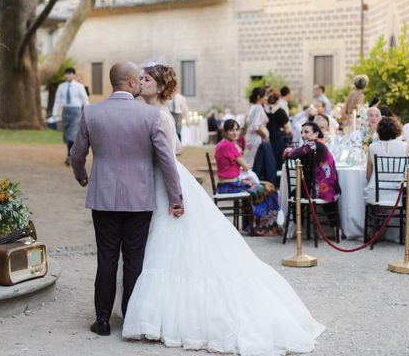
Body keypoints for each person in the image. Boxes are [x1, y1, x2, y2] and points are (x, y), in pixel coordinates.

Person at [123, 64, 324, 354]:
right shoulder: (148, 111)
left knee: (168, 240)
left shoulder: (159, 114)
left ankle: (159, 317)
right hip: (153, 179)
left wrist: (172, 192)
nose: (141, 82)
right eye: (140, 78)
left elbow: (171, 152)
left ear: (160, 86)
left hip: (165, 181)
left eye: (147, 79)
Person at [70, 62, 183, 336]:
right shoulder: (149, 116)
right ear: (132, 83)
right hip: (139, 197)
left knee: (106, 258)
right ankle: (131, 318)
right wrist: (175, 195)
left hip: (103, 197)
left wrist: (81, 175)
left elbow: (77, 153)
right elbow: (167, 159)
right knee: (135, 260)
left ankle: (103, 320)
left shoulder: (91, 112)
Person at [283, 122, 341, 204]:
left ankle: (300, 216)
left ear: (316, 134)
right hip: (324, 187)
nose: (303, 135)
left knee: (295, 196)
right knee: (296, 193)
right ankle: (302, 216)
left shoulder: (314, 144)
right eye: (302, 133)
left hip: (322, 189)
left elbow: (294, 154)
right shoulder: (315, 144)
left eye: (306, 132)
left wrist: (288, 151)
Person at [364, 117, 409, 204]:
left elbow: (368, 175)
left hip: (376, 194)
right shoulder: (405, 146)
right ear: (397, 130)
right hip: (399, 195)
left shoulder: (372, 147)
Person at [52, 67, 90, 165]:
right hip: (65, 111)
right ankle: (73, 153)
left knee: (72, 134)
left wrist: (87, 113)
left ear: (74, 75)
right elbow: (57, 100)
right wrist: (55, 113)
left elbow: (85, 100)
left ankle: (70, 156)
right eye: (66, 74)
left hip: (76, 111)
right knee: (66, 135)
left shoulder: (79, 87)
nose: (67, 75)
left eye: (69, 73)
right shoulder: (61, 86)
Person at [265, 89, 292, 172]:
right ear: (278, 99)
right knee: (278, 159)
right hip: (277, 138)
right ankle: (277, 179)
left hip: (265, 137)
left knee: (267, 158)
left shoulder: (263, 110)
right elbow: (287, 128)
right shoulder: (281, 112)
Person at [242, 87, 269, 165]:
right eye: (265, 96)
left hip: (249, 138)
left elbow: (245, 124)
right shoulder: (259, 108)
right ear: (258, 97)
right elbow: (255, 126)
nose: (267, 98)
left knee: (248, 160)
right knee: (252, 162)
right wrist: (265, 137)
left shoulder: (251, 107)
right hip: (256, 139)